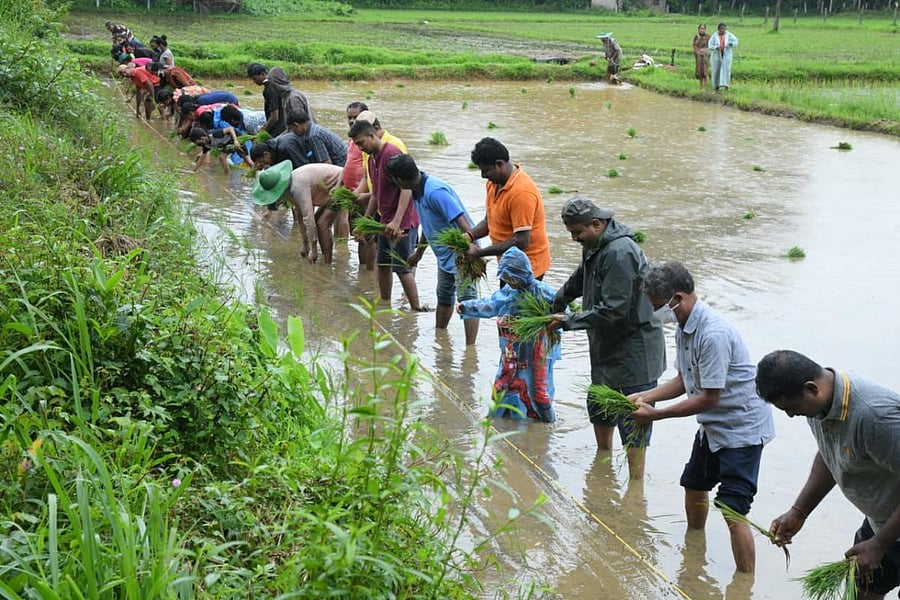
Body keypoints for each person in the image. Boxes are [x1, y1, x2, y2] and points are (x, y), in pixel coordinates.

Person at [629, 262, 775, 573]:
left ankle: (743, 585)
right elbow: (684, 380)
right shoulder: (684, 327)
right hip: (712, 427)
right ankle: (694, 552)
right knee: (694, 484)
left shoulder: (713, 334)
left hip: (740, 430)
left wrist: (656, 415)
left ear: (677, 298)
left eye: (658, 306)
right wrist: (644, 397)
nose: (656, 312)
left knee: (733, 510)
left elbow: (710, 397)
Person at [757, 350, 900, 597]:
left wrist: (879, 545)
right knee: (860, 593)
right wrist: (799, 511)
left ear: (812, 388)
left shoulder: (874, 417)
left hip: (887, 534)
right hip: (883, 523)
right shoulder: (820, 406)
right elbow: (830, 453)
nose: (791, 415)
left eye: (791, 408)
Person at [548, 197, 664, 480]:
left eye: (577, 233)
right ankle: (602, 470)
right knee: (599, 404)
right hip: (606, 345)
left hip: (633, 349)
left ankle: (635, 490)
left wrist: (569, 321)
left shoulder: (620, 252)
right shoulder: (595, 246)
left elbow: (615, 309)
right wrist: (557, 302)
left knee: (632, 415)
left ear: (597, 224)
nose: (575, 239)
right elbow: (580, 278)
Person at [386, 153, 480, 345]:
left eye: (393, 180)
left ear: (399, 179)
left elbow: (463, 222)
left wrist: (476, 253)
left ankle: (470, 354)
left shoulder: (435, 192)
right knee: (444, 297)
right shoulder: (416, 191)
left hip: (462, 254)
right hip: (444, 257)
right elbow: (429, 225)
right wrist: (419, 253)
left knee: (467, 302)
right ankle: (441, 341)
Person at [458, 246, 559, 423]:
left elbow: (564, 315)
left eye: (512, 278)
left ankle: (547, 426)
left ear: (522, 274)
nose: (510, 282)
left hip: (537, 354)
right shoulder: (508, 294)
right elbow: (490, 304)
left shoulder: (545, 294)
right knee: (501, 385)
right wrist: (466, 306)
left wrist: (552, 320)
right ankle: (496, 420)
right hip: (511, 352)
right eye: (506, 278)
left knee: (538, 391)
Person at [348, 119, 425, 312]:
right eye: (356, 145)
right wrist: (365, 221)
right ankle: (385, 305)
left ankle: (416, 309)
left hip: (403, 221)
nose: (359, 148)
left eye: (361, 143)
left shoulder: (392, 154)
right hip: (384, 220)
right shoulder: (372, 158)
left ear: (372, 135)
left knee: (402, 267)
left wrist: (397, 222)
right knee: (382, 264)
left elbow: (406, 190)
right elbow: (376, 194)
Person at [464, 137, 551, 282]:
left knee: (518, 305)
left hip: (527, 268)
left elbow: (522, 241)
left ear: (499, 164)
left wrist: (479, 253)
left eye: (486, 170)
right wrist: (470, 235)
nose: (483, 176)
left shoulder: (522, 193)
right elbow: (489, 221)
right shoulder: (493, 184)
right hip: (508, 263)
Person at [250, 160, 344, 264]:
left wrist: (313, 249)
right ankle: (325, 261)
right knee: (318, 223)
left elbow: (308, 218)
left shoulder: (297, 187)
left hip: (341, 183)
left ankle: (327, 265)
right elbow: (299, 214)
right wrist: (305, 243)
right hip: (329, 190)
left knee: (322, 224)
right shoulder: (290, 186)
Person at [267, 67, 314, 133]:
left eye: (271, 84)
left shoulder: (293, 98)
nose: (270, 88)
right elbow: (290, 128)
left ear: (276, 84)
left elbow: (300, 127)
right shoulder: (285, 97)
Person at [246, 63, 286, 137]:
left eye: (255, 78)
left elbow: (274, 117)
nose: (254, 82)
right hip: (283, 126)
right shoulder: (273, 85)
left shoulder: (270, 89)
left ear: (263, 74)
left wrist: (263, 131)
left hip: (279, 130)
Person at [708, 22, 738, 92]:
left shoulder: (729, 35)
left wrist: (732, 44)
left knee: (726, 70)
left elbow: (736, 42)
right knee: (716, 71)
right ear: (718, 29)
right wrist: (715, 47)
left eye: (724, 29)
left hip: (726, 56)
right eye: (721, 29)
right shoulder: (714, 36)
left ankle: (726, 87)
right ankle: (716, 87)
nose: (722, 30)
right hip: (716, 56)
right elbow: (710, 45)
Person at [693, 24, 711, 91]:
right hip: (698, 56)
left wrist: (705, 51)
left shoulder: (708, 37)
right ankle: (701, 86)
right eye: (701, 28)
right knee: (699, 71)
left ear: (705, 29)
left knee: (705, 71)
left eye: (703, 28)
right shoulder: (696, 37)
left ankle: (705, 87)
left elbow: (710, 46)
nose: (702, 30)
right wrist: (697, 52)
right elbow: (694, 46)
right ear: (698, 29)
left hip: (705, 56)